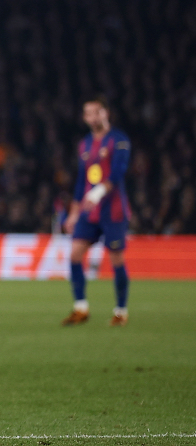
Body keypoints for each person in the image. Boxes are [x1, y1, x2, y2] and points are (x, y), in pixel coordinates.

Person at [62, 96, 132, 326]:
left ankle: (120, 311)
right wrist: (73, 213)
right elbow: (81, 182)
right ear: (85, 118)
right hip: (89, 212)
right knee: (74, 254)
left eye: (97, 112)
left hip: (112, 211)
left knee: (116, 260)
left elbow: (118, 171)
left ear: (106, 113)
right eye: (89, 113)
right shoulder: (84, 144)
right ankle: (81, 308)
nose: (94, 116)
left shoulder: (119, 140)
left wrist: (99, 192)